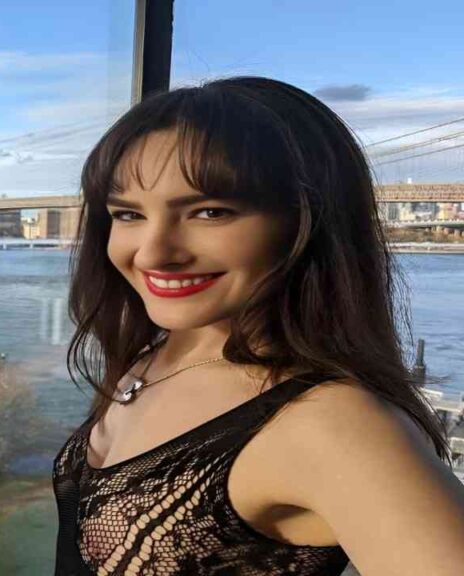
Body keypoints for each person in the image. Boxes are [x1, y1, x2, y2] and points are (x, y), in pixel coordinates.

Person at [53, 76, 464, 575]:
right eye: (128, 214)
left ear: (306, 222)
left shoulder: (334, 423)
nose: (153, 252)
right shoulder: (165, 349)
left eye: (210, 212)